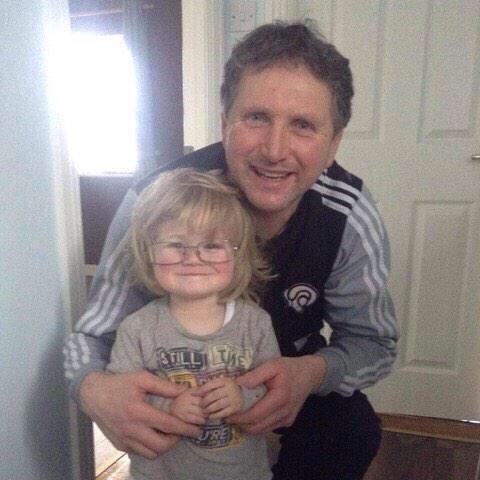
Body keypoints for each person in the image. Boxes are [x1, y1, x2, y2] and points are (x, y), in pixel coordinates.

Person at [64, 21, 399, 479]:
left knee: (351, 429)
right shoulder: (158, 202)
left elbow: (374, 343)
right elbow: (91, 337)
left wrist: (311, 374)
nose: (275, 150)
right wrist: (92, 389)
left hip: (287, 367)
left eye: (303, 125)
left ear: (333, 144)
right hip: (177, 388)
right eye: (256, 117)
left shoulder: (348, 215)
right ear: (225, 123)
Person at [106, 168, 280, 479]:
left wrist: (242, 396)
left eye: (211, 245)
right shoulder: (136, 329)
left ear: (237, 256)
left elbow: (273, 390)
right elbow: (121, 402)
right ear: (148, 253)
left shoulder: (255, 324)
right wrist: (166, 407)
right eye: (176, 245)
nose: (193, 257)